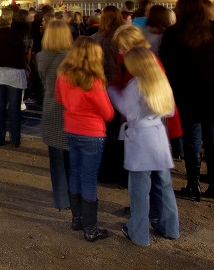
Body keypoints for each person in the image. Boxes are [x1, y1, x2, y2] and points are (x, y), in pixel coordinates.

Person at [108, 47, 181, 247]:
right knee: (164, 186)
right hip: (158, 135)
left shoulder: (135, 85)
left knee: (139, 189)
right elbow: (170, 110)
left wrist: (113, 93)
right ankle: (171, 227)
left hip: (141, 138)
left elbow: (128, 111)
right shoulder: (160, 82)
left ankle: (138, 232)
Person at [160, 0, 214, 203]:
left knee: (192, 138)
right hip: (213, 90)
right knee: (213, 136)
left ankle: (194, 183)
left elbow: (168, 64)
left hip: (187, 92)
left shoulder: (173, 33)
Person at [55, 37, 114, 242]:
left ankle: (77, 219)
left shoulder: (63, 74)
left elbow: (59, 99)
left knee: (75, 174)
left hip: (71, 128)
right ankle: (90, 229)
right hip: (92, 133)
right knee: (89, 179)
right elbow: (108, 114)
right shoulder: (94, 81)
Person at [37, 19, 74, 211]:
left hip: (50, 109)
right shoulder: (71, 59)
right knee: (72, 159)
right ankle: (74, 196)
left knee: (56, 160)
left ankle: (61, 200)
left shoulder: (42, 57)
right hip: (68, 110)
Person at [0, 7, 28, 147]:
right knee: (14, 107)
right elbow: (21, 51)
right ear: (11, 19)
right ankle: (15, 138)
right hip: (14, 71)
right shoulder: (17, 34)